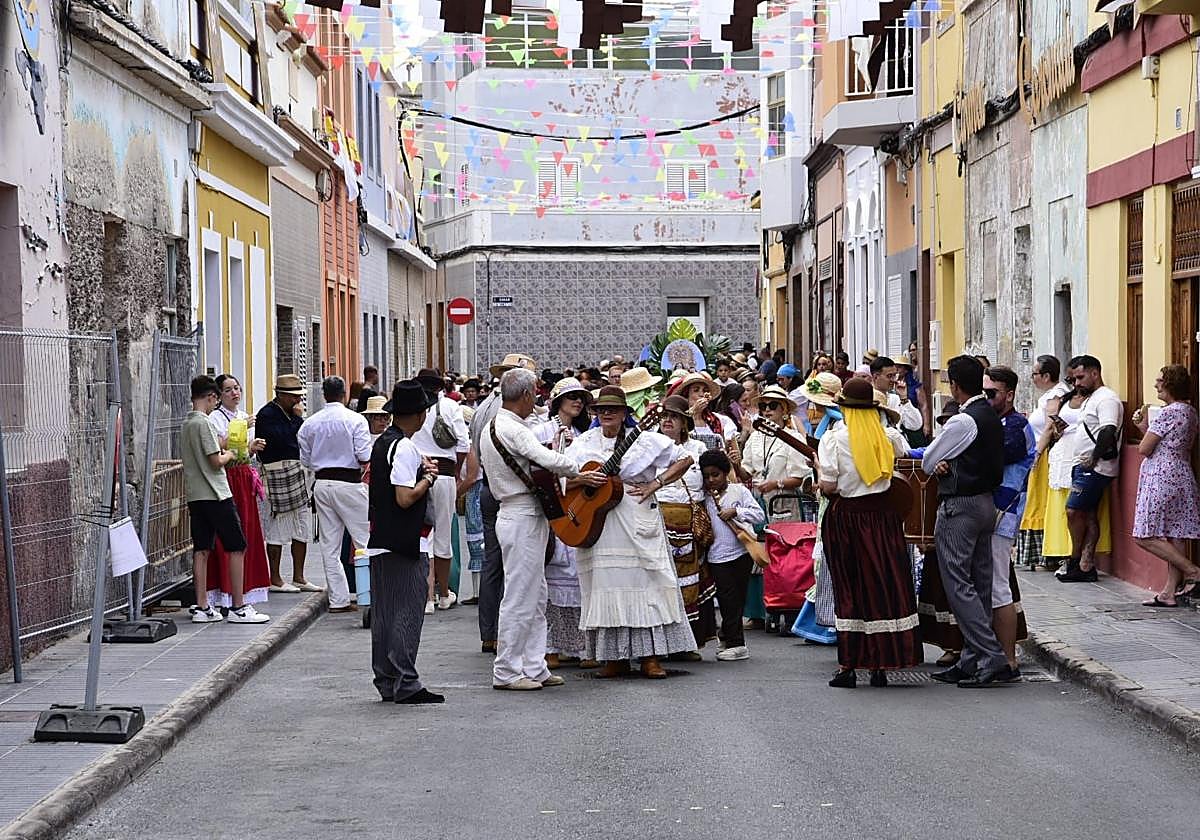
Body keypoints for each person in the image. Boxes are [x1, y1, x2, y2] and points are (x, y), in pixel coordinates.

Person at [570, 386, 698, 678]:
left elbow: (685, 459)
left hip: (638, 517)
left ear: (625, 413)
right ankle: (614, 657)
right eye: (601, 410)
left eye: (612, 409)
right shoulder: (583, 443)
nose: (606, 414)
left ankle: (650, 657)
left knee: (647, 583)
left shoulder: (645, 440)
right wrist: (583, 480)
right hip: (599, 523)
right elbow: (567, 475)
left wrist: (656, 484)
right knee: (605, 585)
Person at [481, 368, 596, 691]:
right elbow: (546, 459)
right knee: (520, 596)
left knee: (536, 594)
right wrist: (581, 469)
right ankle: (506, 670)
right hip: (521, 513)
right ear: (528, 395)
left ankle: (533, 664)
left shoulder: (500, 424)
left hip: (521, 512)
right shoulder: (512, 428)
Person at [923, 356, 1016, 687]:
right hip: (986, 503)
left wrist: (943, 461)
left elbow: (930, 460)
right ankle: (972, 658)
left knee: (958, 583)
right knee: (980, 582)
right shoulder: (991, 414)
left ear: (955, 385)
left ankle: (989, 655)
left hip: (960, 505)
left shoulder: (962, 421)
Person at [817, 377, 917, 688]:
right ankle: (880, 664)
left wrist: (819, 470)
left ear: (844, 408)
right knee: (882, 584)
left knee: (849, 587)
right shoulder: (888, 435)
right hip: (883, 517)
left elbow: (829, 486)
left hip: (847, 516)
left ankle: (849, 664)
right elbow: (905, 455)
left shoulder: (834, 439)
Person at [367, 381, 443, 705]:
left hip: (382, 538)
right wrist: (428, 479)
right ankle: (407, 682)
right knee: (408, 611)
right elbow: (404, 497)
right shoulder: (406, 447)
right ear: (421, 414)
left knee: (385, 613)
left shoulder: (384, 442)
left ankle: (386, 679)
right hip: (404, 541)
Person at [181, 376, 270, 624]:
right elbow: (216, 459)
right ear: (211, 397)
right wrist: (231, 451)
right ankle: (239, 606)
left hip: (195, 494)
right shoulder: (205, 423)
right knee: (237, 546)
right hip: (216, 492)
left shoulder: (186, 423)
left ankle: (202, 607)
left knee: (202, 549)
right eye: (216, 398)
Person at [472, 353, 538, 655]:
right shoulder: (508, 412)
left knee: (493, 564)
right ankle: (505, 640)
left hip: (490, 487)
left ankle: (490, 633)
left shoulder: (483, 406)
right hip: (511, 492)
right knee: (514, 571)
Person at [297, 376, 372, 613]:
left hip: (322, 483)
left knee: (330, 546)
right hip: (349, 484)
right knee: (365, 541)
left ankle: (338, 600)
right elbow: (364, 455)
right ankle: (369, 595)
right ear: (344, 394)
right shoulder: (355, 420)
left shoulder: (309, 423)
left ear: (324, 395)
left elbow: (306, 460)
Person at [535, 377, 595, 669]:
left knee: (579, 576)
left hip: (577, 507)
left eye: (581, 398)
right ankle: (551, 647)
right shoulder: (540, 432)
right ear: (558, 400)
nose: (578, 402)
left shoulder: (586, 434)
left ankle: (581, 646)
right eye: (572, 396)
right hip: (553, 508)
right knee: (552, 576)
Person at [656, 394, 718, 658]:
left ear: (685, 422)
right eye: (663, 416)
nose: (667, 420)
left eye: (674, 417)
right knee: (659, 585)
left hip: (689, 523)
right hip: (656, 522)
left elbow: (711, 484)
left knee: (689, 585)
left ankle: (684, 644)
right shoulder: (649, 446)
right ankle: (658, 646)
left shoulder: (698, 450)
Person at [1133, 365, 1200, 607]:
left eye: (1160, 380)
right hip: (1181, 473)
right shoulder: (1190, 411)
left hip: (1161, 475)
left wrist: (1145, 432)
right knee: (1175, 533)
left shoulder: (1168, 413)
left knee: (1145, 534)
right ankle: (1169, 593)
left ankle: (1192, 571)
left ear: (1170, 384)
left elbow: (1145, 448)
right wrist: (1144, 429)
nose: (1156, 384)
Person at [983, 366, 1035, 670]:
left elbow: (991, 459)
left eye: (992, 393)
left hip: (1003, 511)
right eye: (984, 392)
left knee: (998, 585)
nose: (987, 398)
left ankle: (1009, 659)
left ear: (1010, 394)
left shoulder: (1015, 426)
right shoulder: (997, 422)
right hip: (991, 511)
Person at [205, 374, 271, 610]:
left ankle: (246, 589)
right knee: (228, 536)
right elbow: (220, 447)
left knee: (249, 532)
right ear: (219, 396)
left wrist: (253, 448)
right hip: (228, 477)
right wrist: (243, 439)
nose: (235, 393)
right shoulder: (215, 419)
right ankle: (225, 593)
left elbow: (245, 453)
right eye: (228, 390)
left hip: (244, 476)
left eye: (237, 388)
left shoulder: (244, 416)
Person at [1059, 355, 1123, 583]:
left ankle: (1075, 561)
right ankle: (1085, 566)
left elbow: (1108, 430)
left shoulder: (1106, 399)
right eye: (1074, 379)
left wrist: (1094, 458)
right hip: (1084, 464)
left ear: (1095, 373)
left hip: (1095, 467)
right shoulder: (1091, 398)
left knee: (1073, 511)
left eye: (1080, 377)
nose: (1076, 383)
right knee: (1087, 514)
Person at [413, 368, 470, 613]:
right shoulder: (449, 407)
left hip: (416, 474)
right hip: (444, 474)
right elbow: (463, 443)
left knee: (422, 535)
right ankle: (444, 592)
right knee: (443, 536)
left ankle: (426, 597)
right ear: (440, 387)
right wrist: (456, 472)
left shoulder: (412, 407)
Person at [701, 450, 767, 661]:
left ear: (725, 473)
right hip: (715, 556)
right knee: (727, 598)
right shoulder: (703, 496)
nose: (711, 480)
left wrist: (736, 512)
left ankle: (736, 642)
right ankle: (729, 638)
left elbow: (759, 514)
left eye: (716, 475)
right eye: (707, 476)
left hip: (741, 553)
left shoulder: (739, 492)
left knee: (736, 598)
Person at [256, 374, 318, 594]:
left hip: (296, 471)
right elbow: (284, 439)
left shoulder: (291, 413)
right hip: (276, 472)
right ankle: (275, 577)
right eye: (293, 397)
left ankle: (299, 576)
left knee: (302, 524)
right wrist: (296, 419)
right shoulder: (267, 415)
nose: (297, 401)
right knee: (278, 525)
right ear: (280, 395)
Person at [1016, 355, 1072, 571]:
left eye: (1035, 374)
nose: (1032, 378)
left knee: (1039, 501)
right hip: (1041, 452)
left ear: (1046, 376)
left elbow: (1050, 426)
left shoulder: (1056, 394)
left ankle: (1046, 553)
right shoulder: (1049, 395)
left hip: (1045, 454)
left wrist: (1037, 453)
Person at [740, 384, 812, 519]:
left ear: (783, 409)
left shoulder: (793, 438)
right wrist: (735, 463)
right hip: (759, 504)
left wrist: (775, 484)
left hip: (784, 503)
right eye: (763, 406)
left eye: (772, 405)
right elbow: (745, 474)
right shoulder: (755, 437)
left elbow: (798, 479)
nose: (767, 410)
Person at [870, 356, 923, 433]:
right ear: (875, 377)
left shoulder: (894, 399)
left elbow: (915, 425)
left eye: (894, 375)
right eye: (889, 376)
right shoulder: (866, 398)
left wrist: (904, 399)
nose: (893, 380)